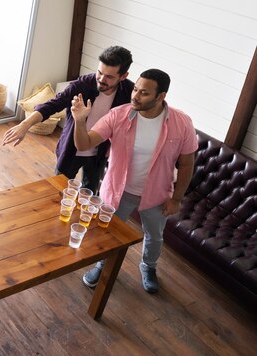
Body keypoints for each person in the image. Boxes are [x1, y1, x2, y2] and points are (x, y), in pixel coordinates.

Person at [71, 68, 197, 293]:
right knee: (108, 232)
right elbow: (83, 144)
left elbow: (187, 164)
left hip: (158, 194)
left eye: (144, 93)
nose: (135, 96)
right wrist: (80, 122)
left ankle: (148, 267)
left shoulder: (183, 123)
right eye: (135, 89)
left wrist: (177, 198)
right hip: (118, 190)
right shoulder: (118, 115)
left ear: (161, 96)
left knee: (155, 237)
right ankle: (102, 264)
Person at [3, 45, 134, 193]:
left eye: (109, 77)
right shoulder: (83, 84)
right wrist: (25, 124)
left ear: (123, 76)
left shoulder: (129, 92)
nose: (101, 79)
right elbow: (53, 105)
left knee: (89, 192)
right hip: (71, 148)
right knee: (58, 190)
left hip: (100, 152)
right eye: (99, 72)